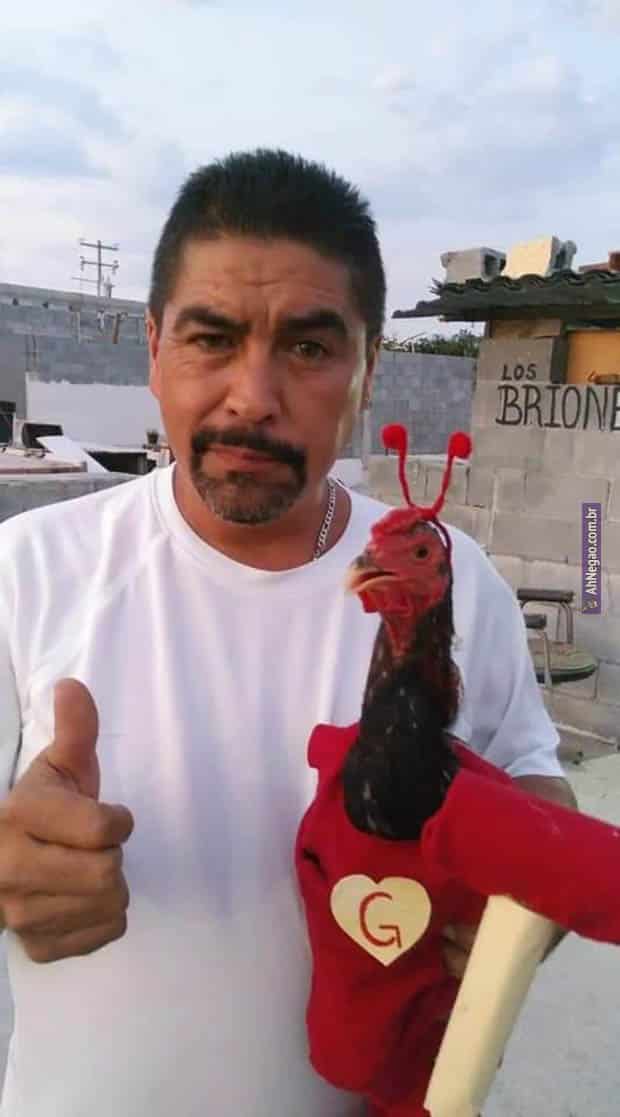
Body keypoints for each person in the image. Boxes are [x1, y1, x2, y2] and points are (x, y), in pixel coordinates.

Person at [0, 149, 576, 1117]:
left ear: (368, 369)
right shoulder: (26, 572)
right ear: (153, 349)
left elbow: (531, 771)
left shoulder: (445, 577)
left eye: (308, 348)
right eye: (210, 338)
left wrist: (523, 900)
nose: (253, 395)